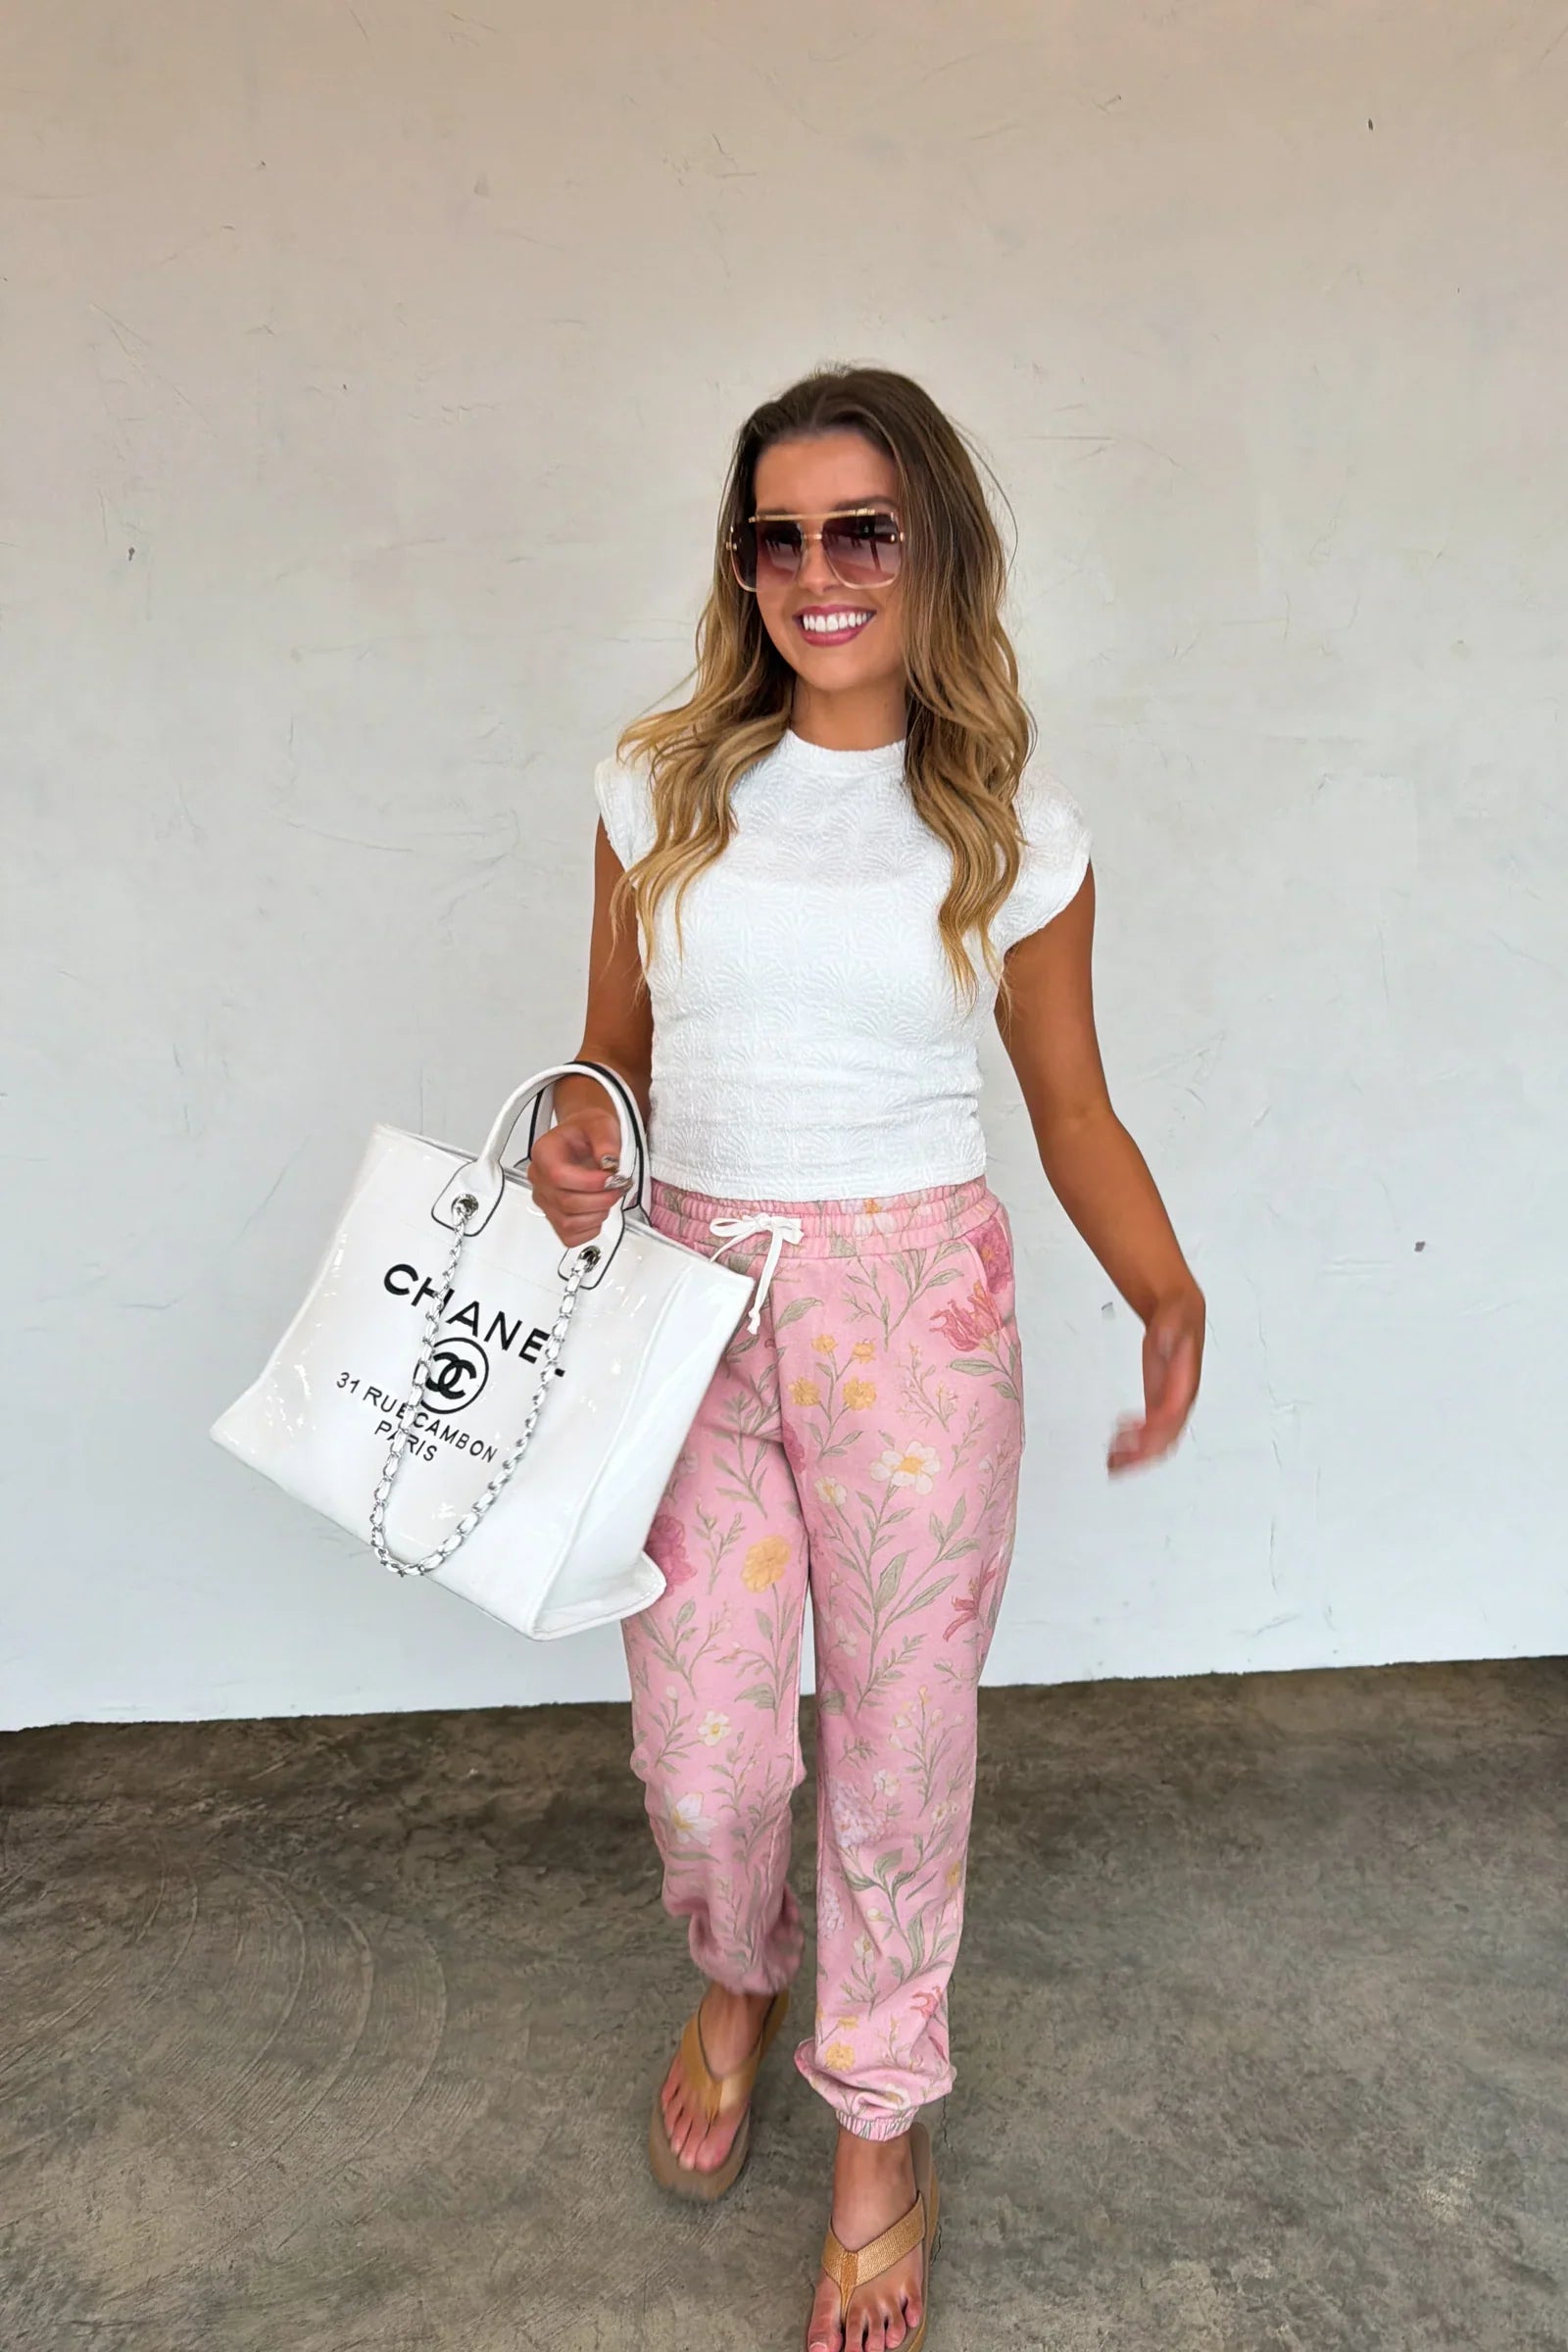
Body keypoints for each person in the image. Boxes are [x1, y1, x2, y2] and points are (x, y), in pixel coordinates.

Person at [526, 365, 1204, 2352]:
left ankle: (879, 2130)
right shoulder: (654, 790)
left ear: (933, 552)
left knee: (902, 1754)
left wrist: (1164, 1289)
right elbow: (609, 1065)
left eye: (861, 529)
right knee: (707, 1757)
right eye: (779, 535)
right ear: (741, 563)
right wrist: (573, 1140)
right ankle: (739, 1966)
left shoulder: (1012, 832)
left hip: (915, 1321)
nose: (816, 571)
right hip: (690, 1301)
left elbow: (1070, 1111)